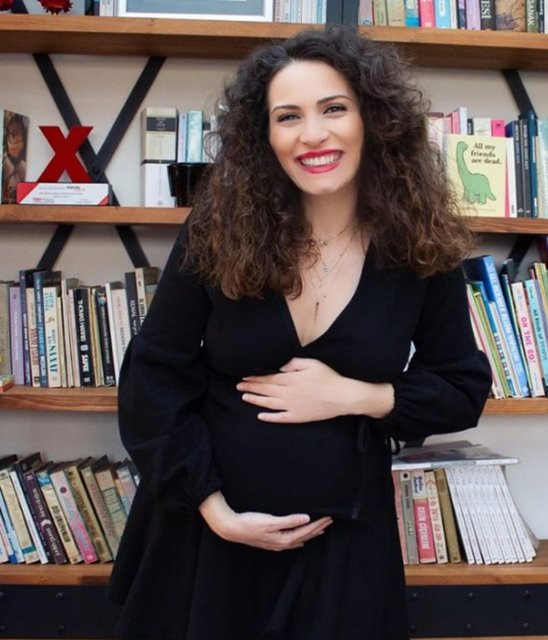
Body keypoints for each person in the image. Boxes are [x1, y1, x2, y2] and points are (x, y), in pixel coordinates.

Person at [107, 25, 492, 640]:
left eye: (334, 108)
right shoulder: (217, 230)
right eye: (288, 116)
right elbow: (153, 374)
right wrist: (215, 511)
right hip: (204, 543)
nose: (312, 134)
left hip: (344, 550)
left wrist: (354, 396)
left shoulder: (420, 247)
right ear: (264, 136)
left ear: (375, 119)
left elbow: (461, 387)